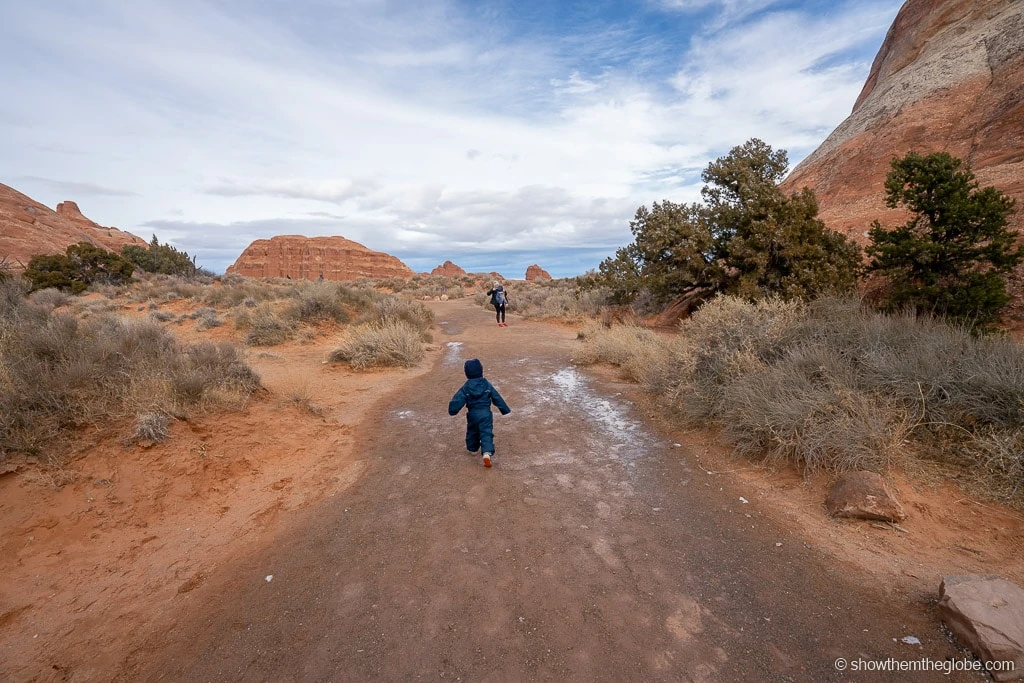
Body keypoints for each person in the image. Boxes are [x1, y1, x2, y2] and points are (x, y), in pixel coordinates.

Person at [448, 358, 511, 467]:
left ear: (466, 373)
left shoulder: (466, 387)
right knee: (486, 432)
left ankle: (473, 449)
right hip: (486, 414)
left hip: (472, 414)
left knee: (472, 431)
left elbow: (458, 399)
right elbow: (496, 396)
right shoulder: (486, 384)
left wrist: (452, 410)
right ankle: (487, 453)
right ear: (481, 371)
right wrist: (504, 409)